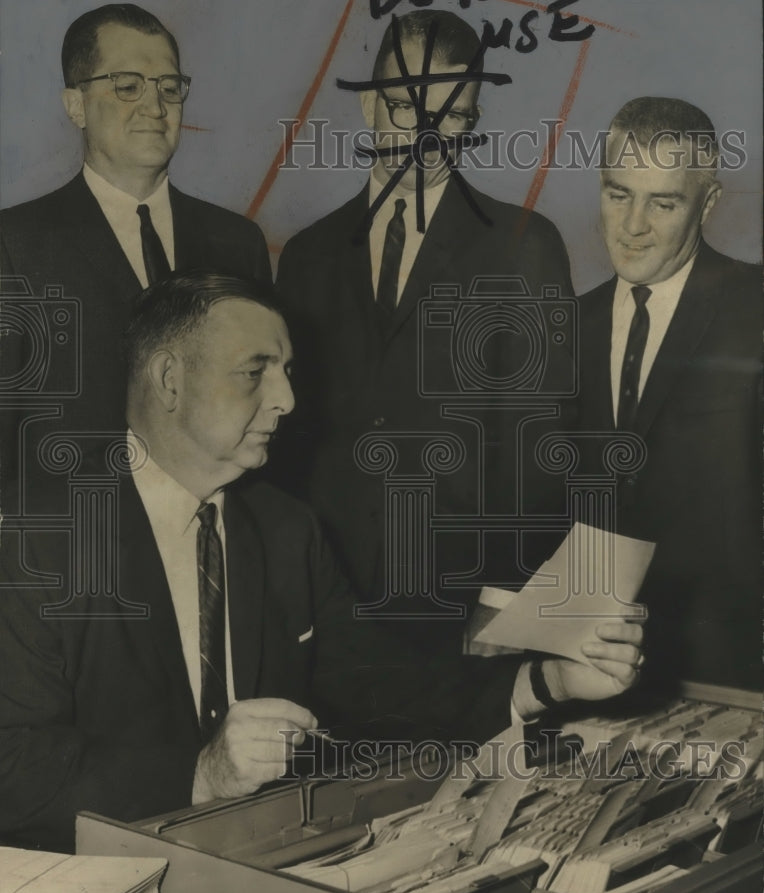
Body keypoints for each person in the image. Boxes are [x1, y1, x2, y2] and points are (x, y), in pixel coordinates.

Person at [0, 271, 643, 852]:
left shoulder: (285, 529)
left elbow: (381, 684)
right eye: (256, 371)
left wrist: (549, 681)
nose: (287, 400)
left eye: (286, 372)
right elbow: (12, 762)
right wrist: (199, 773)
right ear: (171, 380)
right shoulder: (39, 537)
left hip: (260, 870)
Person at [274, 10, 575, 657]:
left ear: (472, 125)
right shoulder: (306, 256)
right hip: (322, 604)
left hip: (462, 611)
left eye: (453, 114)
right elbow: (286, 446)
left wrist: (502, 602)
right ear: (370, 108)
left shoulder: (526, 248)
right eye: (410, 109)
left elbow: (543, 446)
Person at [0, 3, 270, 504]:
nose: (155, 106)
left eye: (169, 87)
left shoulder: (238, 243)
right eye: (127, 86)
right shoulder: (15, 243)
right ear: (75, 105)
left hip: (216, 554)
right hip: (77, 555)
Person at [576, 96, 761, 691]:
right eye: (617, 193)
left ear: (707, 203)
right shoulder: (564, 325)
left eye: (663, 202)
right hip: (587, 670)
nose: (632, 226)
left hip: (732, 675)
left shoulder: (754, 306)